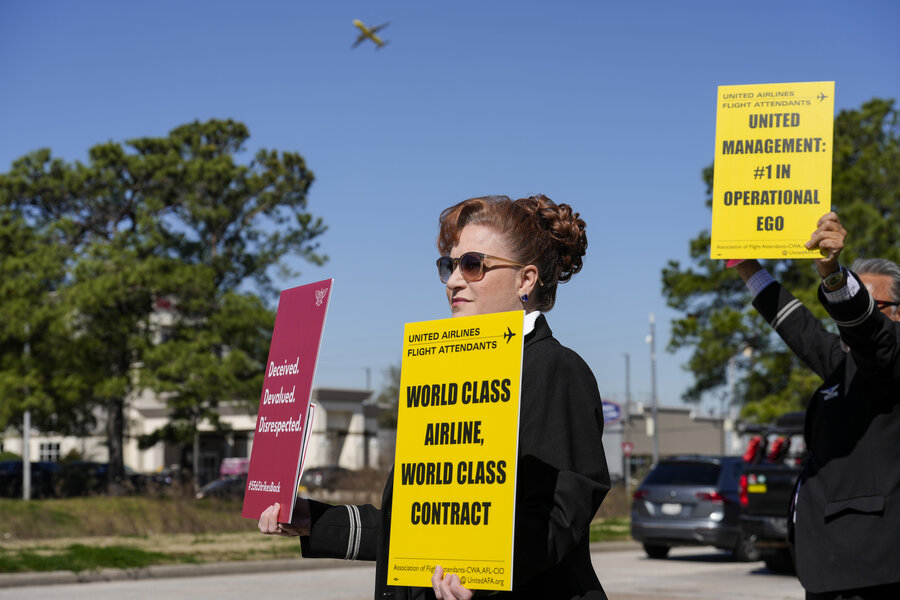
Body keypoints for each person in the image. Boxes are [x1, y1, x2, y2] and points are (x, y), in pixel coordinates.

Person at [259, 194, 611, 600]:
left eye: (473, 265)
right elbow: (416, 527)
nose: (453, 280)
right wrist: (312, 519)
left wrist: (479, 577)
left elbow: (558, 517)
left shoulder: (555, 368)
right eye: (449, 264)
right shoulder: (445, 374)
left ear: (525, 280)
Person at [732, 212, 900, 600]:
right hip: (829, 568)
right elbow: (796, 325)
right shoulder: (844, 363)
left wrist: (835, 277)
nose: (856, 319)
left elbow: (869, 331)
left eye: (873, 304)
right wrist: (745, 263)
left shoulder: (890, 358)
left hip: (875, 571)